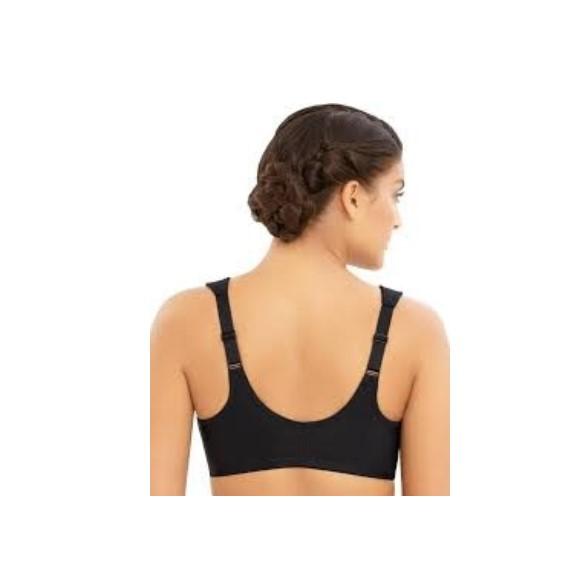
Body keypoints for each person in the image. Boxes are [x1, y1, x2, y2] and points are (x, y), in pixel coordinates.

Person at [150, 103, 450, 496]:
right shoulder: (415, 331)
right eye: (396, 195)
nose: (397, 219)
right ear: (353, 197)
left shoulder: (184, 320)